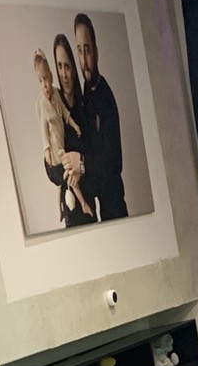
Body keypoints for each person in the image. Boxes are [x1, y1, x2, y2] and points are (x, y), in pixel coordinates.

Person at [73, 13, 128, 221]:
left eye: (87, 50)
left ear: (96, 52)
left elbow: (115, 162)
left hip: (114, 207)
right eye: (79, 50)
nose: (84, 61)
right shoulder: (85, 91)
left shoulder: (105, 96)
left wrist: (82, 162)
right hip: (98, 206)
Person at [33, 48, 93, 224]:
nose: (64, 74)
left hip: (87, 195)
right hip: (56, 151)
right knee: (64, 176)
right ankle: (69, 207)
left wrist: (81, 165)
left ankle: (80, 205)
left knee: (65, 179)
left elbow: (96, 160)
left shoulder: (76, 104)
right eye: (60, 66)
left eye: (67, 66)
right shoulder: (45, 102)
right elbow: (43, 130)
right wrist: (47, 152)